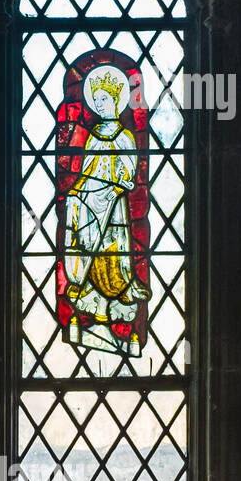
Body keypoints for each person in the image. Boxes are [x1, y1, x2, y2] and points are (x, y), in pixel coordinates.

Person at [64, 64, 151, 353]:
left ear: (116, 100)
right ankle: (96, 314)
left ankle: (112, 315)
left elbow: (128, 175)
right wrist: (78, 193)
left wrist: (115, 187)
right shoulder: (94, 135)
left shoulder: (124, 137)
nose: (100, 104)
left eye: (104, 99)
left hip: (113, 209)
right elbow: (87, 172)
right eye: (96, 100)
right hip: (92, 203)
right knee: (91, 253)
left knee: (112, 257)